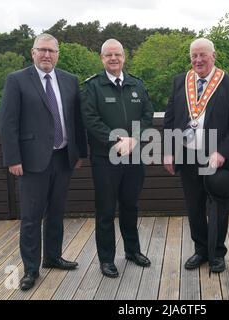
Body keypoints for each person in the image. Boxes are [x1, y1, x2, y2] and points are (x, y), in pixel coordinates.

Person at [0, 33, 88, 291]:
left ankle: (52, 256)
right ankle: (30, 269)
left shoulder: (70, 80)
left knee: (57, 213)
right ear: (33, 52)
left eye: (51, 50)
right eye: (42, 50)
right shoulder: (17, 80)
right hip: (31, 162)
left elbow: (76, 121)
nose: (47, 55)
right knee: (30, 218)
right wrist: (13, 159)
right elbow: (7, 122)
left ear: (58, 54)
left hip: (63, 158)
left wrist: (79, 153)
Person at [163, 38, 229, 273]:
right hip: (187, 155)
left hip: (215, 156)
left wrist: (222, 152)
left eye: (203, 55)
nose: (198, 60)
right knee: (194, 205)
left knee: (218, 206)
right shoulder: (180, 82)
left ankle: (217, 253)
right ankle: (200, 250)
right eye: (194, 56)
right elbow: (169, 119)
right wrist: (168, 150)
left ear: (213, 56)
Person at [81, 39, 153, 278]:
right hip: (105, 159)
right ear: (102, 58)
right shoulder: (92, 87)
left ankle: (133, 251)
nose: (113, 58)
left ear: (124, 57)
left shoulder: (136, 84)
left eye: (118, 54)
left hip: (134, 156)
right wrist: (117, 141)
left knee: (130, 206)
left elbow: (147, 115)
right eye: (108, 55)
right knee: (105, 210)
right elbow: (90, 120)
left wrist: (132, 138)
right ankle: (107, 259)